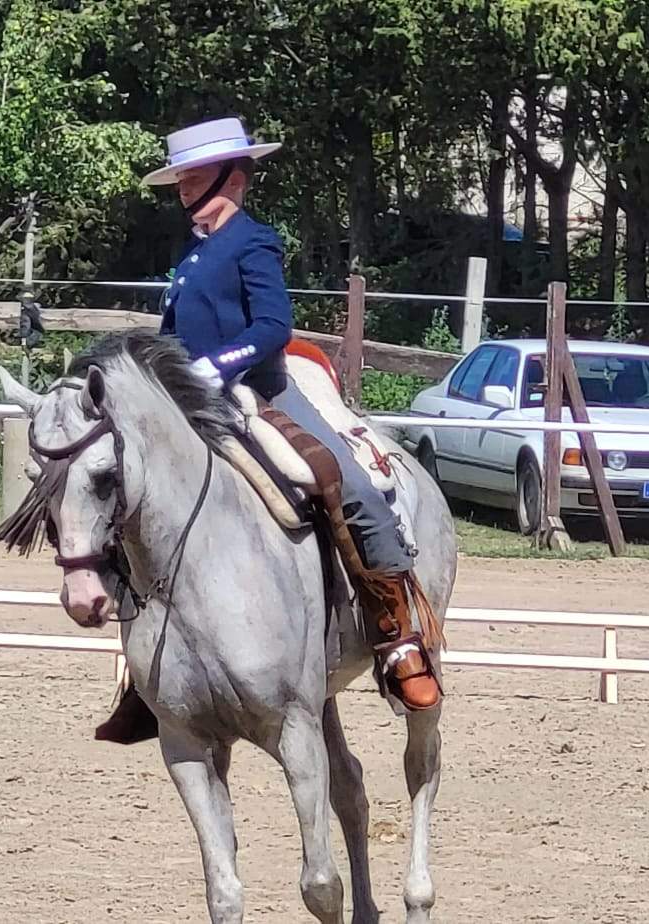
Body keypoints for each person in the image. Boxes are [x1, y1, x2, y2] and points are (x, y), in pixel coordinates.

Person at [93, 117, 441, 744]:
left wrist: (211, 367)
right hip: (190, 404)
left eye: (192, 175)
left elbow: (271, 328)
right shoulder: (192, 254)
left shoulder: (255, 242)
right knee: (130, 498)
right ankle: (148, 664)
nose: (181, 187)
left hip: (262, 390)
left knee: (339, 476)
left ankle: (396, 632)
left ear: (232, 176)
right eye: (179, 177)